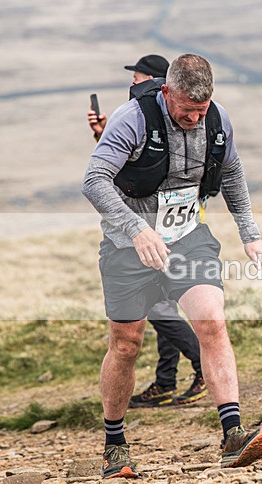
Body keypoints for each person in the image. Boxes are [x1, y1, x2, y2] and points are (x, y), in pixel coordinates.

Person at [83, 53, 262, 478]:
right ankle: (114, 445)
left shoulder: (217, 119)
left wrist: (250, 233)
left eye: (201, 110)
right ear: (166, 92)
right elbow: (94, 181)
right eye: (186, 109)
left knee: (212, 322)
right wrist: (136, 230)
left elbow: (232, 173)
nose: (193, 118)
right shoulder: (132, 118)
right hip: (127, 246)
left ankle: (233, 434)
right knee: (126, 344)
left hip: (189, 239)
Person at [87, 54, 207, 408]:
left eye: (138, 80)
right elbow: (133, 174)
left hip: (163, 230)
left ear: (160, 85)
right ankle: (167, 380)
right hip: (154, 227)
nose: (132, 86)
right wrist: (102, 136)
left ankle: (202, 364)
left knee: (157, 307)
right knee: (162, 304)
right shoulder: (140, 120)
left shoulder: (174, 121)